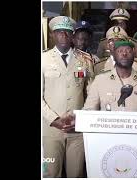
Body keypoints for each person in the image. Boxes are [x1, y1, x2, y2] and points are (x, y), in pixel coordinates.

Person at [42, 16, 93, 178]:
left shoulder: (85, 60)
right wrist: (54, 119)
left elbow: (92, 95)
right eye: (58, 32)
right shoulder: (43, 59)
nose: (63, 35)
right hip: (50, 130)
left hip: (77, 128)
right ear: (52, 35)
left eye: (67, 32)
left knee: (76, 174)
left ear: (72, 35)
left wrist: (81, 117)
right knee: (50, 173)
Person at [83, 40, 137, 112]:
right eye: (120, 51)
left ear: (134, 54)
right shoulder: (100, 81)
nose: (124, 54)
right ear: (114, 55)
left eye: (128, 51)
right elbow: (89, 110)